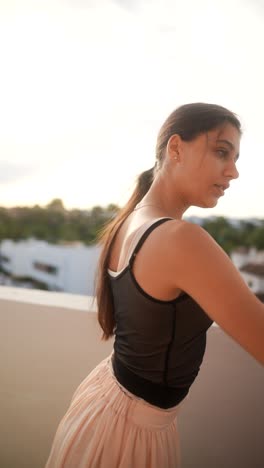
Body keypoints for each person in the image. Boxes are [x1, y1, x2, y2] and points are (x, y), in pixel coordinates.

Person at [45, 103, 264, 468]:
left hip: (107, 406)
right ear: (175, 148)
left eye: (236, 157)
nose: (235, 172)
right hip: (127, 433)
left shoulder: (132, 221)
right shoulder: (180, 239)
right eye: (222, 152)